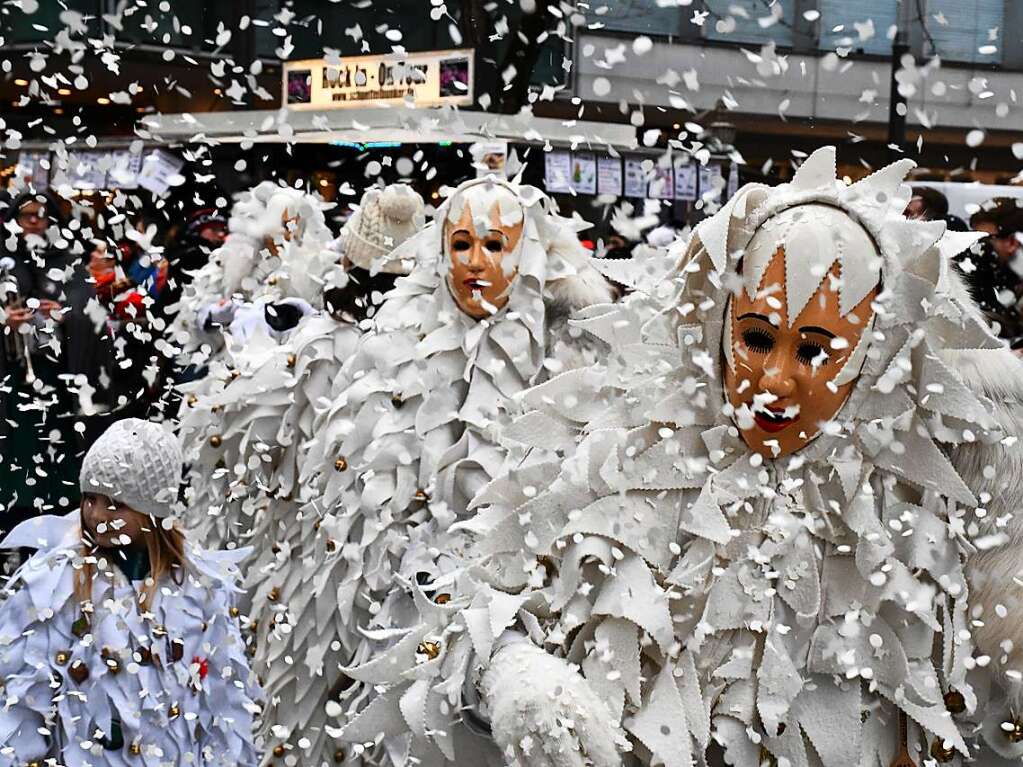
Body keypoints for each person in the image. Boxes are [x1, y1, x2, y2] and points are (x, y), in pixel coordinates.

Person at [345, 147, 1023, 766]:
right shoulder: (622, 460)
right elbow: (463, 601)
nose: (775, 380)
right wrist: (516, 673)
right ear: (719, 320)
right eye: (757, 338)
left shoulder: (922, 505)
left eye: (813, 350)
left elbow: (980, 705)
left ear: (872, 355)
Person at [252, 176, 615, 764]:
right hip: (404, 631)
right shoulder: (392, 350)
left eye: (495, 245)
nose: (475, 262)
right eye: (462, 244)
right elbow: (358, 507)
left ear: (525, 254)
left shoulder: (566, 367)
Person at [0, 418, 262, 765]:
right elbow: (25, 698)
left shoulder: (198, 588)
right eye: (90, 498)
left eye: (115, 503)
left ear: (152, 511)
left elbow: (222, 700)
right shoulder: (56, 583)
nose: (96, 514)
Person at [0, 189, 84, 533]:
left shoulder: (66, 258)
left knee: (54, 445)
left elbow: (90, 310)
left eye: (41, 214)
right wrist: (6, 321)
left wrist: (65, 315)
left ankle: (58, 517)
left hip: (56, 377)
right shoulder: (4, 257)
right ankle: (12, 520)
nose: (34, 221)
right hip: (12, 377)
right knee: (16, 450)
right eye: (27, 215)